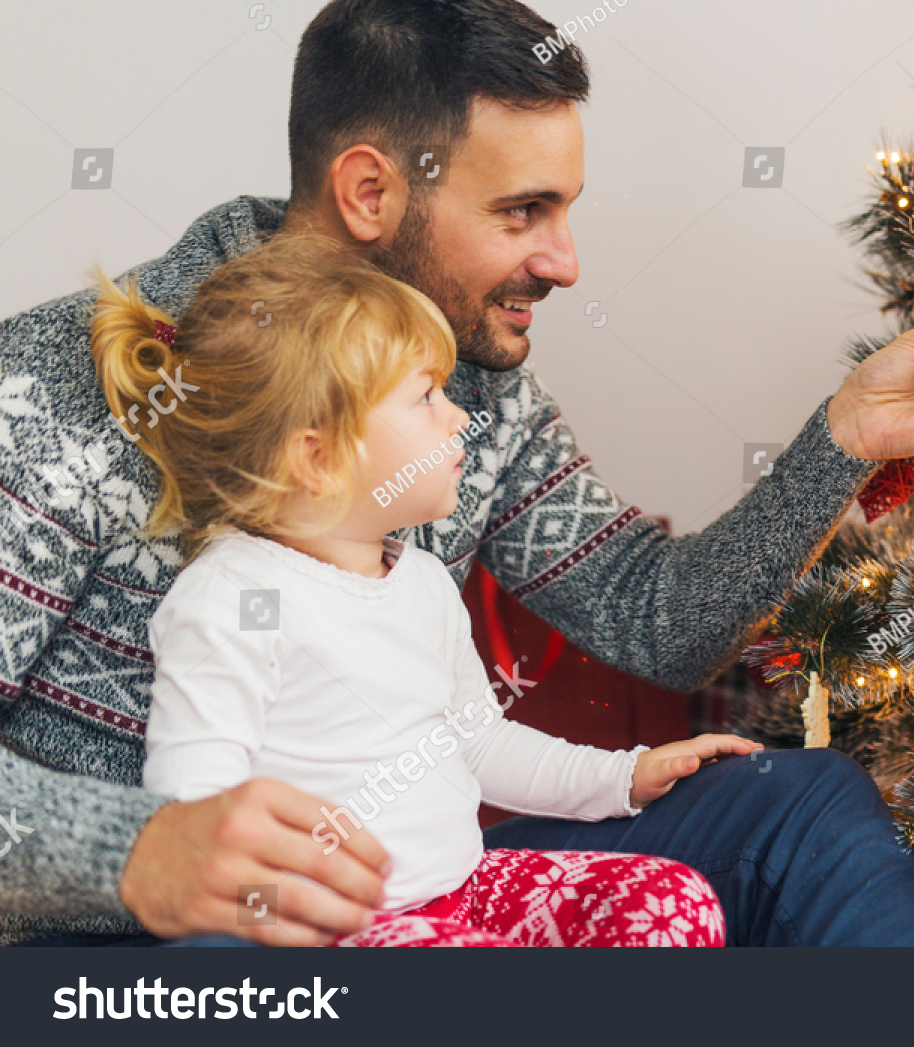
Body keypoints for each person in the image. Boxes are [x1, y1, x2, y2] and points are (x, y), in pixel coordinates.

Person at [0, 0, 914, 947]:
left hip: (417, 895)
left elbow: (662, 620)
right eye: (521, 212)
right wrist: (135, 849)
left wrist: (843, 443)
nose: (563, 260)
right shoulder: (52, 389)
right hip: (140, 943)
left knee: (801, 806)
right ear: (371, 193)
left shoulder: (474, 386)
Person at [90, 232, 746, 947]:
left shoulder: (423, 579)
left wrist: (624, 776)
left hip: (464, 891)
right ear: (319, 457)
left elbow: (480, 742)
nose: (459, 417)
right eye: (426, 397)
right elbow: (193, 811)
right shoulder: (232, 598)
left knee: (675, 902)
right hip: (341, 935)